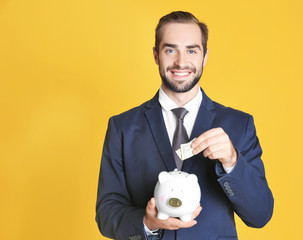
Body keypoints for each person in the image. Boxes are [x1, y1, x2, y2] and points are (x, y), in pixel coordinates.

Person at [96, 11, 274, 240]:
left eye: (191, 50)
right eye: (170, 50)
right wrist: (147, 222)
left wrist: (232, 161)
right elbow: (106, 212)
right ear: (156, 55)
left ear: (205, 56)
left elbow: (260, 215)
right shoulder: (122, 127)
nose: (181, 62)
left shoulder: (239, 124)